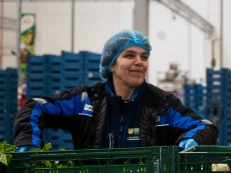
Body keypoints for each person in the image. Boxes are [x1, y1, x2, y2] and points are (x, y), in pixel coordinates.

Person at [14, 29, 218, 151]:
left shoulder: (162, 105)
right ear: (111, 64)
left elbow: (205, 126)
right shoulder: (85, 101)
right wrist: (28, 141)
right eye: (130, 55)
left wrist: (192, 140)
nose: (139, 62)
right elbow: (35, 107)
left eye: (144, 57)